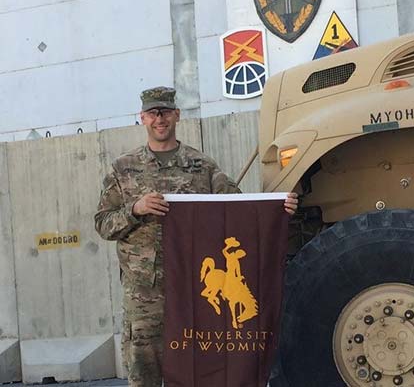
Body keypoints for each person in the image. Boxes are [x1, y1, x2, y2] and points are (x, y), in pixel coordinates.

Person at [94, 86, 298, 387]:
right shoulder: (124, 169)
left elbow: (238, 209)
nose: (159, 119)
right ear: (142, 118)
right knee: (144, 371)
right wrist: (135, 208)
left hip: (195, 291)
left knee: (195, 368)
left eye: (165, 112)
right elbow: (102, 224)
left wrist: (279, 208)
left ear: (177, 115)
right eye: (153, 113)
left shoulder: (201, 166)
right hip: (145, 294)